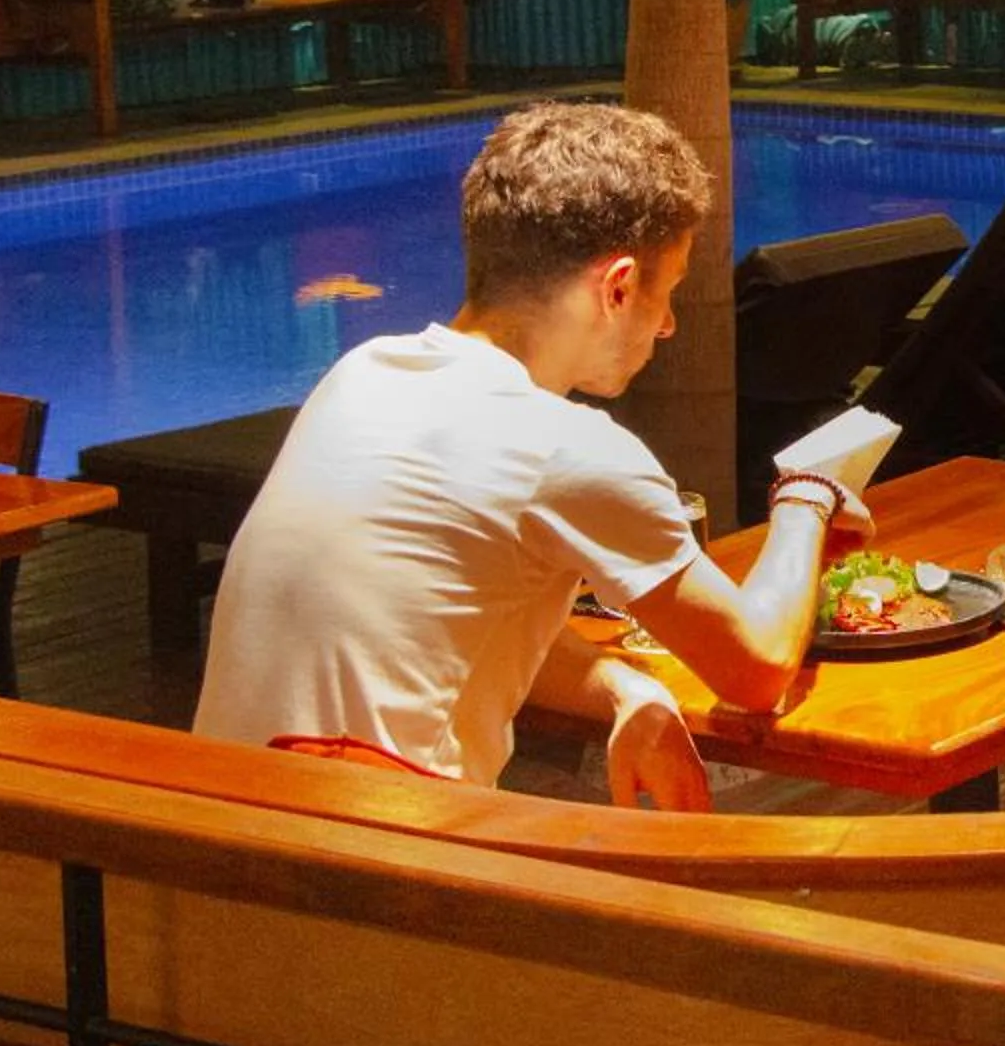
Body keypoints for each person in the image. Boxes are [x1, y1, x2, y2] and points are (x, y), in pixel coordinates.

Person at [195, 101, 872, 808]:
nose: (670, 324)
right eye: (668, 291)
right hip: (370, 853)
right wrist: (807, 497)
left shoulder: (362, 374)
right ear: (617, 288)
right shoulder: (565, 448)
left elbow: (465, 624)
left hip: (213, 831)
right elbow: (757, 670)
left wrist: (622, 686)